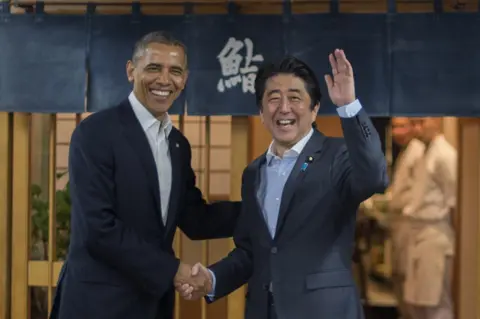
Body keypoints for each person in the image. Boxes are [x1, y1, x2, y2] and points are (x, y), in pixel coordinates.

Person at [177, 50, 388, 318]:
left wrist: (348, 106)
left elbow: (374, 177)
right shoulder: (253, 172)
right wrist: (212, 278)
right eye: (273, 99)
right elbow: (252, 251)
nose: (284, 108)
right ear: (262, 113)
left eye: (295, 98)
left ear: (314, 110)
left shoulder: (338, 155)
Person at [49, 31, 241, 319]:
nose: (164, 80)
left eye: (175, 71)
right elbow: (97, 229)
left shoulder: (178, 145)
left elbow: (194, 218)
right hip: (97, 304)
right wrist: (174, 270)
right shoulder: (96, 133)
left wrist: (264, 209)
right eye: (154, 68)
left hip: (152, 305)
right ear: (131, 71)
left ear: (184, 79)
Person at [403, 118, 456, 319]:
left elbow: (455, 200)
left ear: (436, 121)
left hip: (435, 232)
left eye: (421, 122)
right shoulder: (423, 151)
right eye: (414, 123)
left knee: (436, 302)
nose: (416, 129)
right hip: (418, 231)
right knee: (418, 303)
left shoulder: (445, 155)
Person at [388, 117, 425, 319]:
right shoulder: (406, 151)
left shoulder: (417, 151)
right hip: (399, 223)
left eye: (401, 127)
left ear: (413, 127)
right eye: (394, 127)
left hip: (410, 225)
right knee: (399, 276)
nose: (396, 132)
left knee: (407, 279)